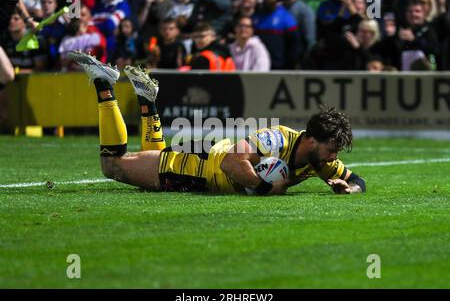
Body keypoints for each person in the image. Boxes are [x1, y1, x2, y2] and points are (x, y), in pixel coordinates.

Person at [66, 50, 367, 195]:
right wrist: (267, 187)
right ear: (312, 140)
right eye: (332, 149)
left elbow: (359, 181)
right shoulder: (278, 138)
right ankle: (105, 85)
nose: (334, 157)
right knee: (113, 167)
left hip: (204, 152)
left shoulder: (320, 161)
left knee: (152, 164)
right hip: (200, 169)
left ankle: (147, 103)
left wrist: (347, 189)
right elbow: (233, 163)